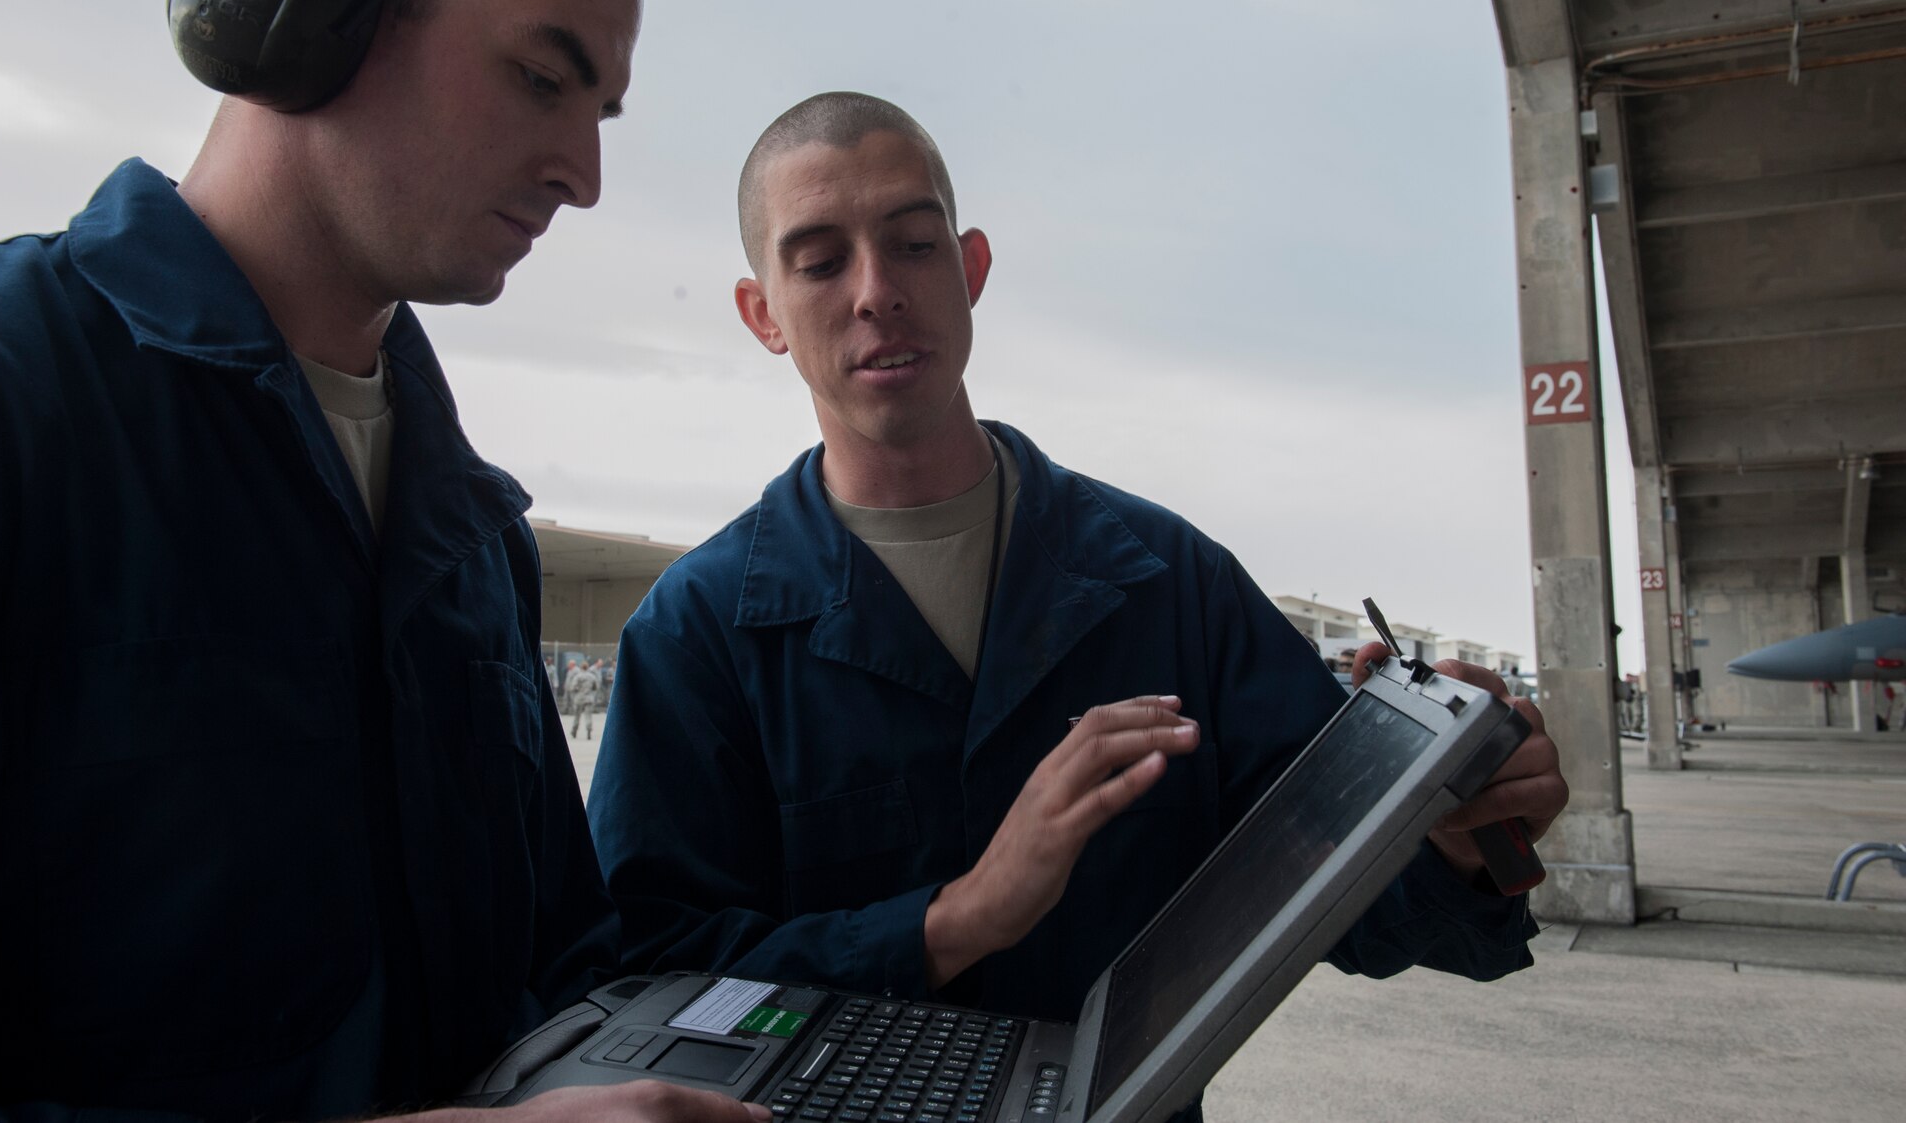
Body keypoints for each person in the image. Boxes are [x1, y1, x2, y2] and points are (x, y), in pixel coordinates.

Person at [0, 0, 759, 1123]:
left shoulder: (473, 538)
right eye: (544, 76)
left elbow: (570, 978)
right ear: (311, 12)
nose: (584, 175)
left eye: (603, 109)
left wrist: (873, 987)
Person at [588, 92, 1568, 1031]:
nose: (876, 290)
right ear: (762, 313)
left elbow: (1343, 895)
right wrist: (950, 921)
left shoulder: (1168, 583)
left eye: (913, 244)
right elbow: (647, 975)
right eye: (817, 262)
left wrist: (1451, 829)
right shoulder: (699, 631)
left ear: (969, 268)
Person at [570, 660, 604, 740]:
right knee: (588, 716)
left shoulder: (578, 676)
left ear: (581, 667)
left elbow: (573, 687)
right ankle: (589, 730)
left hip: (579, 698)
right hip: (589, 698)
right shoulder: (592, 676)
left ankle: (574, 731)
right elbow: (595, 687)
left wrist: (578, 689)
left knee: (577, 716)